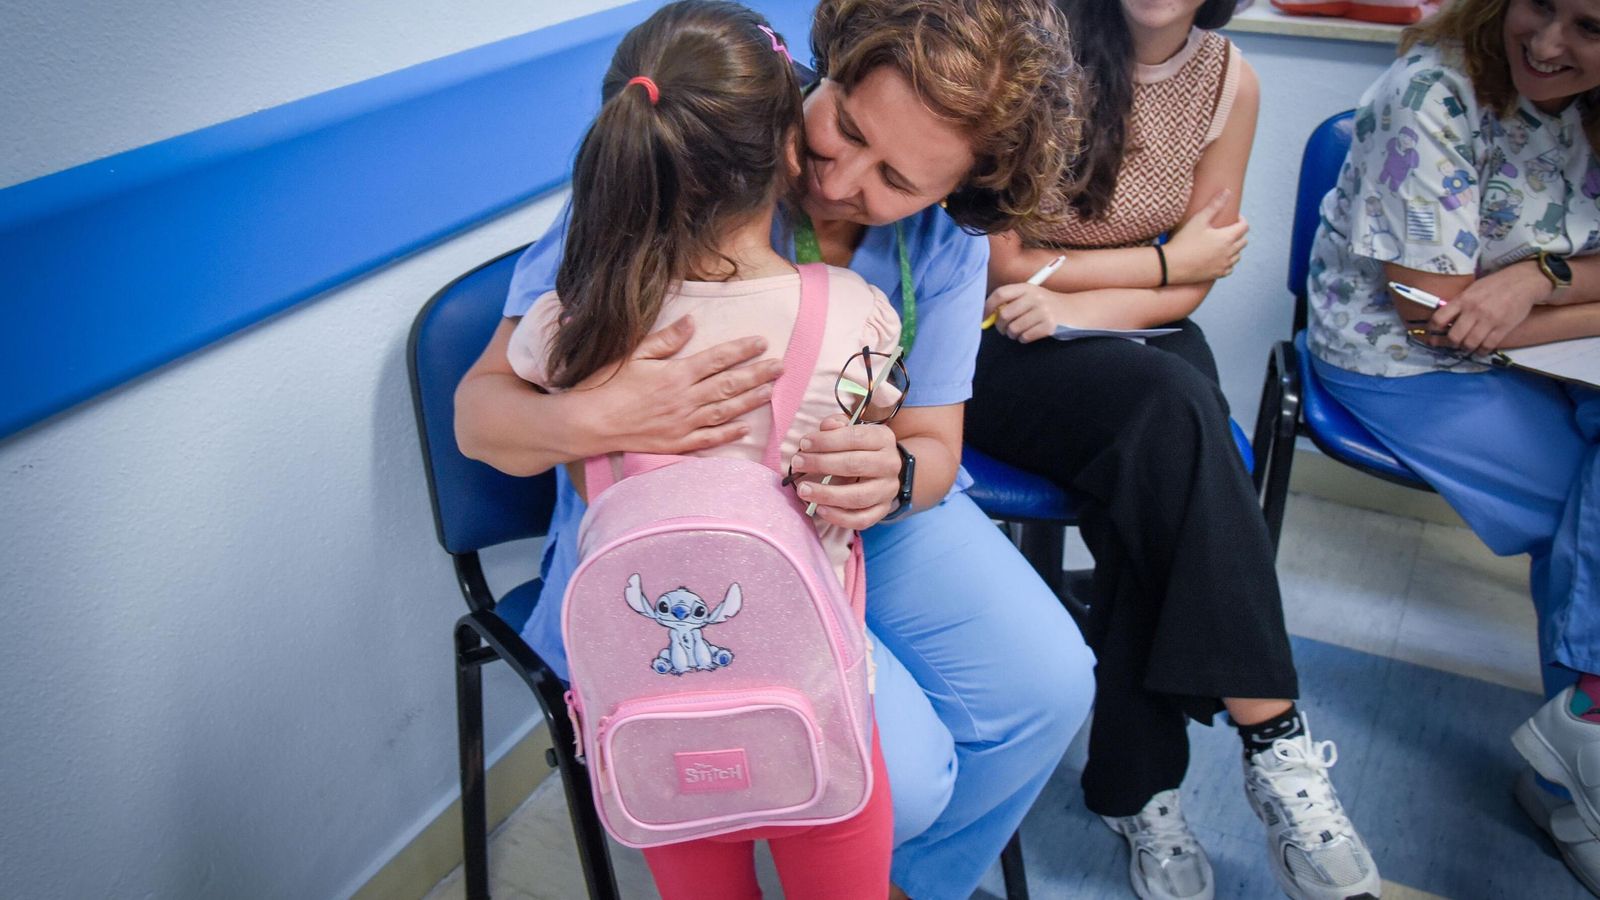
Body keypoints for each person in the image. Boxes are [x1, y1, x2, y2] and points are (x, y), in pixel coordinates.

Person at [454, 1, 1097, 897]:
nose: (842, 183)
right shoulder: (683, 157)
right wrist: (613, 415)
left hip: (847, 519)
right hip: (682, 537)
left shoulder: (944, 244)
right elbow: (481, 416)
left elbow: (933, 446)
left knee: (1053, 685)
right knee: (905, 782)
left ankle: (907, 882)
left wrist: (896, 476)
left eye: (897, 180)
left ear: (955, 192)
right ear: (827, 69)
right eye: (849, 130)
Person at [964, 2, 1382, 899]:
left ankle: (1140, 790)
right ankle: (1273, 742)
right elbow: (1002, 262)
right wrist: (1157, 263)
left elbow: (1201, 274)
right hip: (997, 336)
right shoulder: (1031, 43)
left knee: (1161, 463)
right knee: (1176, 419)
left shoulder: (1230, 79)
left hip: (1131, 328)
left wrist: (1082, 301)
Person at [501, 5, 900, 895]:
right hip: (815, 695)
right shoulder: (852, 313)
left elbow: (497, 401)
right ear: (789, 150)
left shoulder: (570, 324)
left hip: (649, 714)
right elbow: (880, 411)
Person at [1307, 0, 1600, 891]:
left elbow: (1513, 298)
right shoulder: (1433, 91)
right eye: (1538, 3)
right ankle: (1578, 759)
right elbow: (1434, 317)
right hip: (1404, 360)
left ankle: (1579, 742)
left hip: (1547, 351)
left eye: (1590, 27)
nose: (1546, 42)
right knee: (1589, 511)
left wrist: (1536, 278)